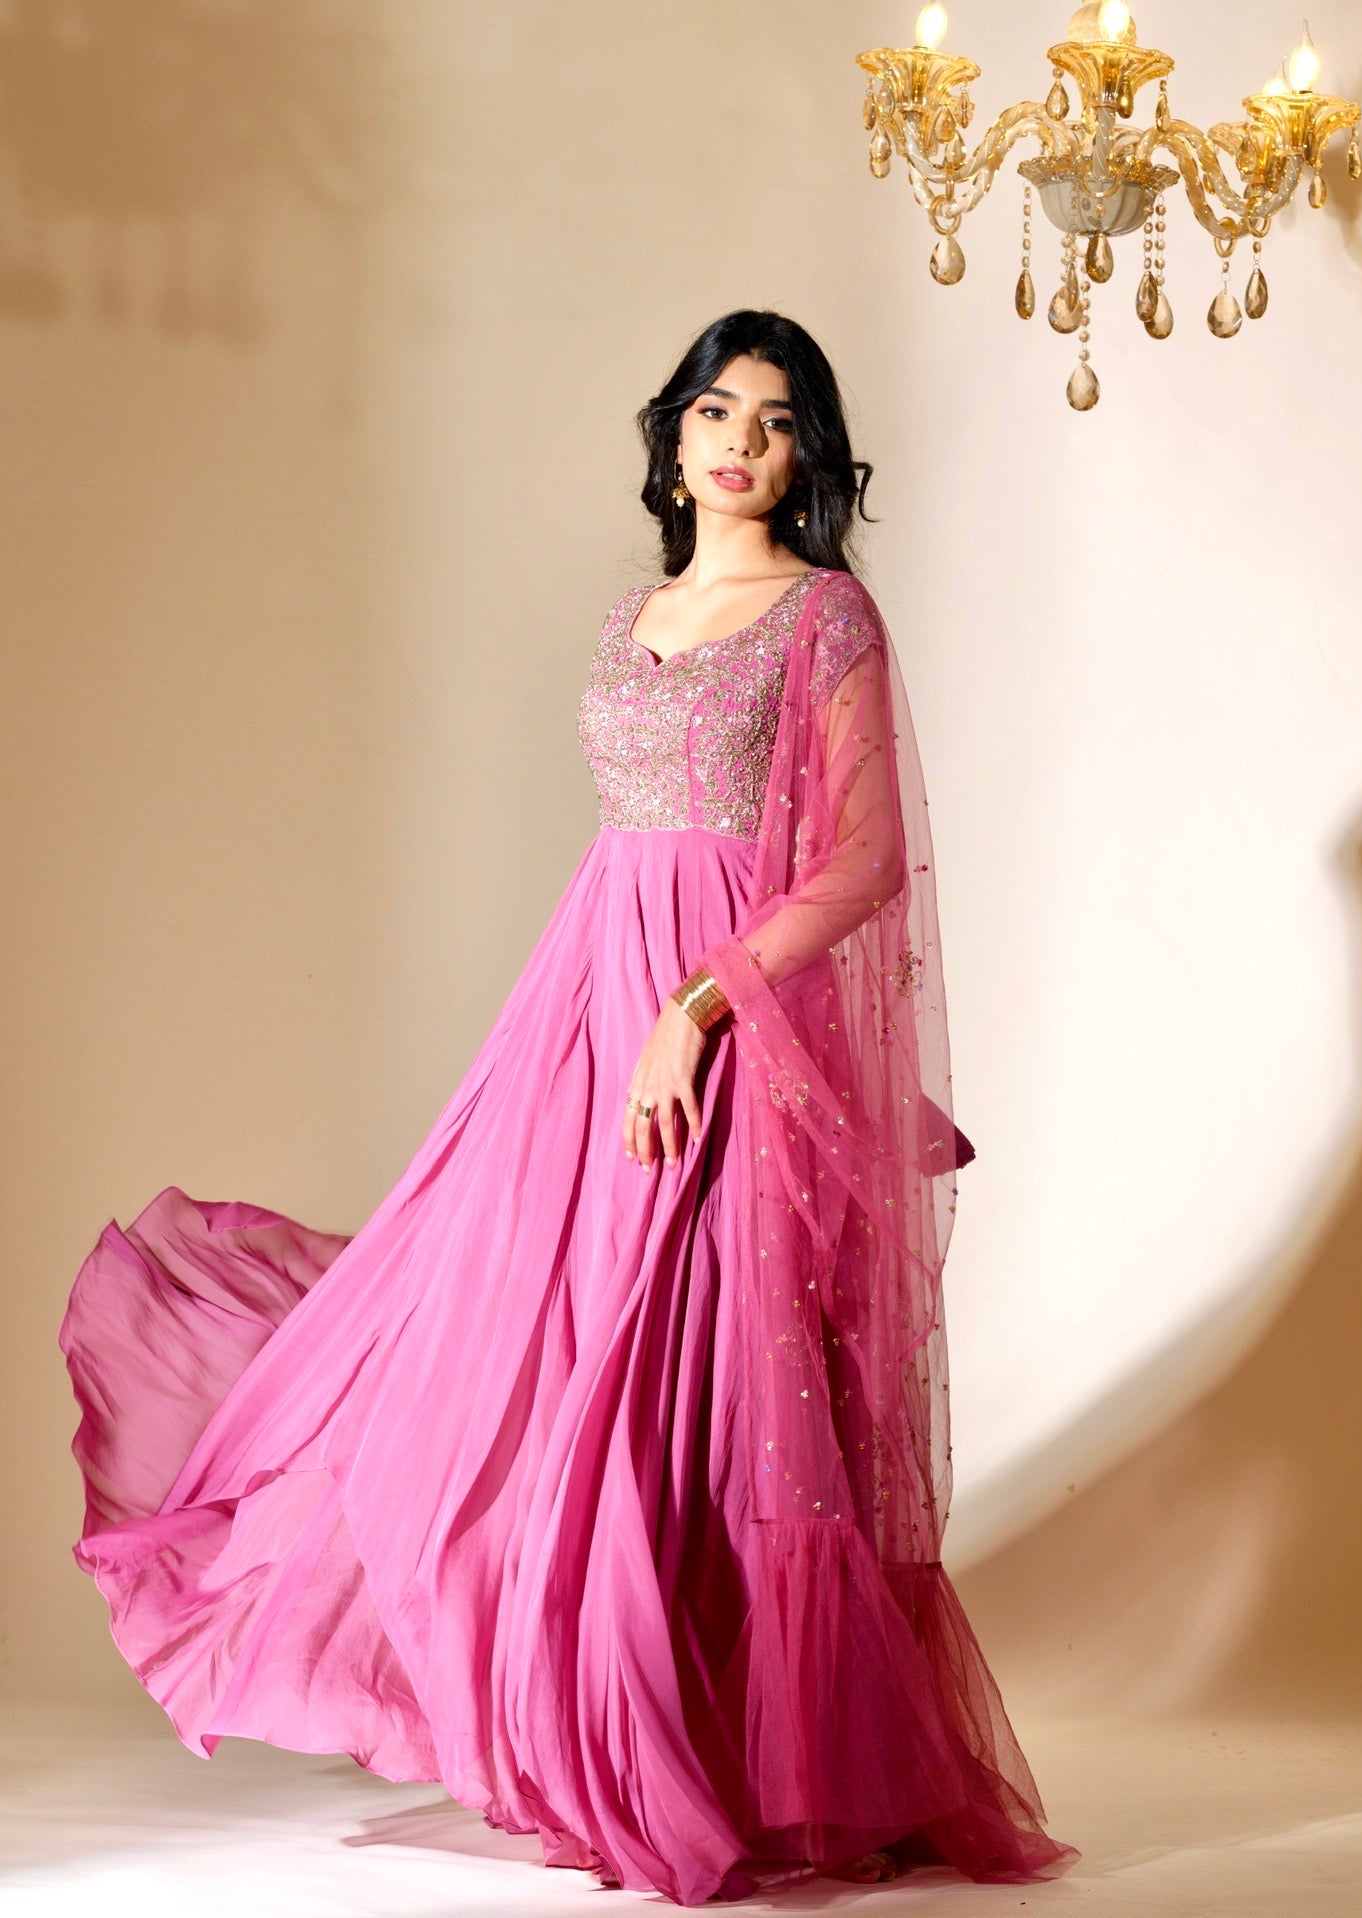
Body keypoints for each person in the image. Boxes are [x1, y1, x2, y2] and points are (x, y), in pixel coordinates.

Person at [59, 309, 1081, 1904]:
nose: (741, 441)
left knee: (714, 1372)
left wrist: (698, 1007)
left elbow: (864, 860)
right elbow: (625, 844)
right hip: (591, 1008)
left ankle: (753, 1759)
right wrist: (606, 1019)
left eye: (776, 419)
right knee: (501, 1339)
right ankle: (603, 1724)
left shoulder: (827, 619)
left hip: (731, 1021)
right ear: (671, 436)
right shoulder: (630, 618)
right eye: (716, 410)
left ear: (806, 455)